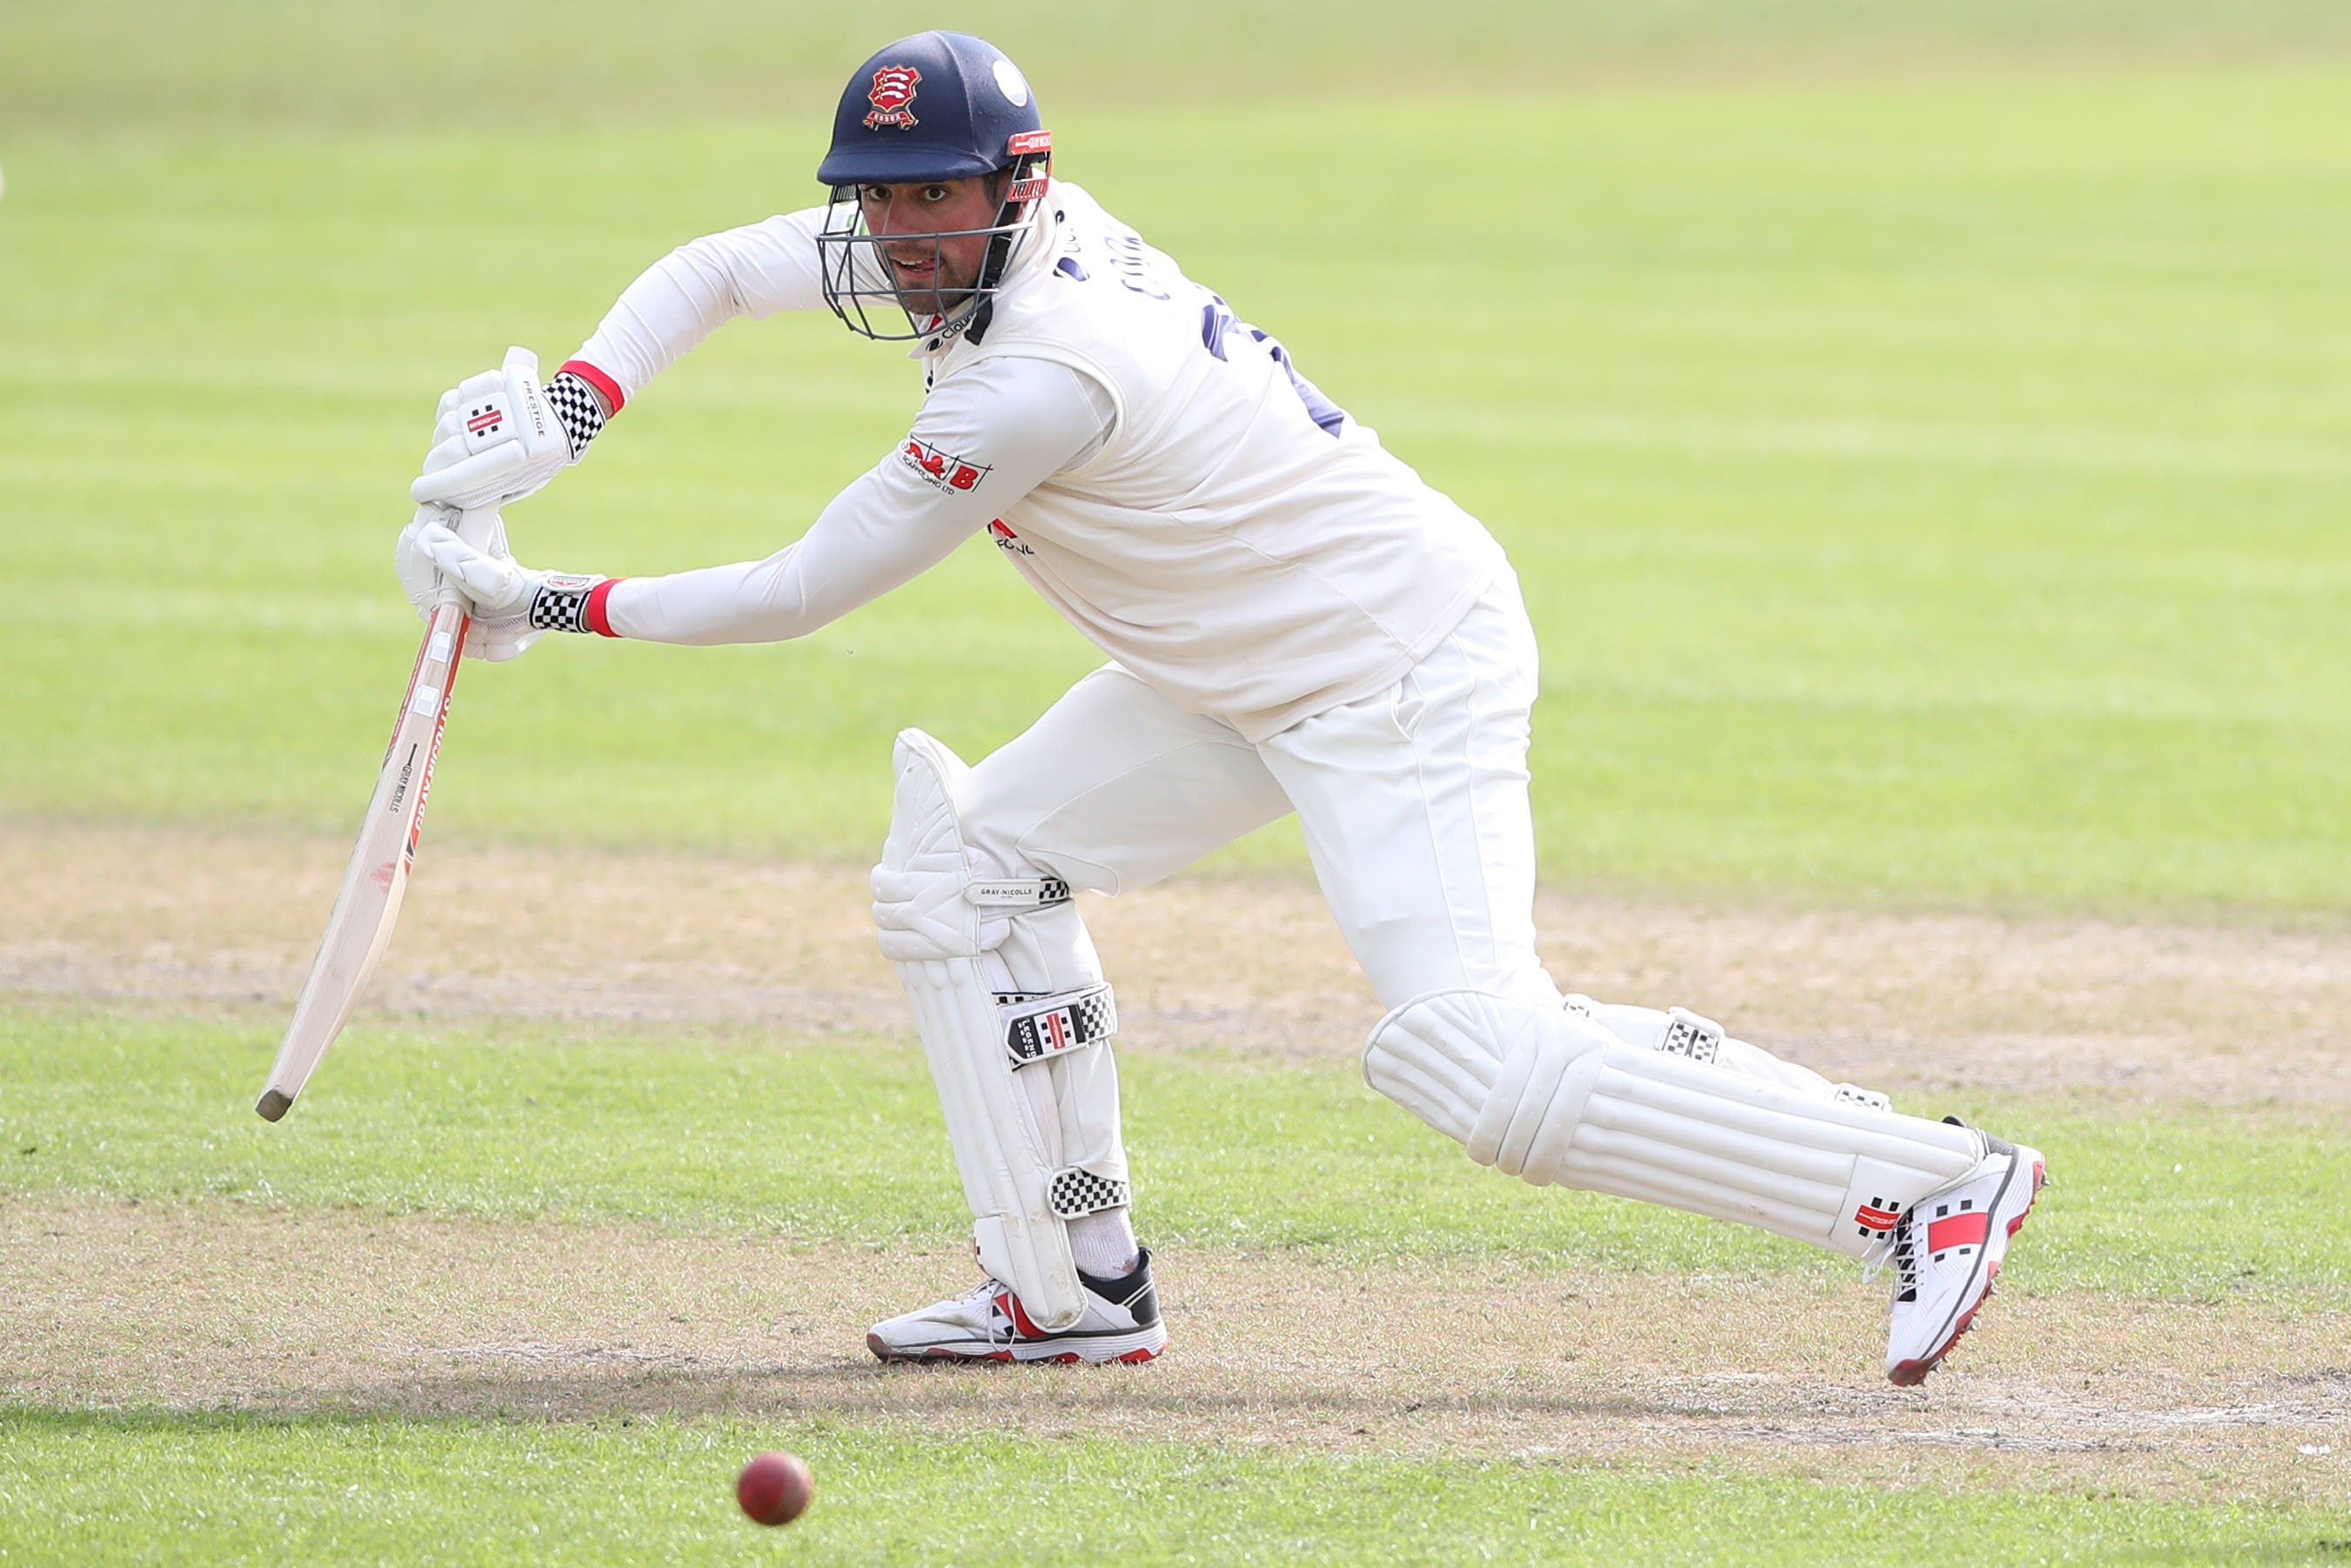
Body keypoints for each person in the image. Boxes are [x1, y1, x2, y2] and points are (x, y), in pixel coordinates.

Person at [396, 31, 2046, 1384]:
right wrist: (567, 413)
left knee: (1473, 1058)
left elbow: (797, 591)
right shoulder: (961, 255)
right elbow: (703, 270)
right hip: (1221, 671)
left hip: (1387, 664)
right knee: (961, 874)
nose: (896, 237)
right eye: (874, 199)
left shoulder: (1037, 372)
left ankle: (1929, 1184)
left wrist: (535, 599)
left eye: (933, 200)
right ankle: (1069, 1282)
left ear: (1013, 190)